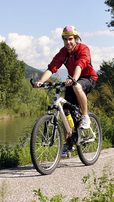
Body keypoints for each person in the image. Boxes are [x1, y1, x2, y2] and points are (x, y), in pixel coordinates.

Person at [34, 26, 97, 158]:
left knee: (76, 87)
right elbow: (52, 68)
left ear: (76, 39)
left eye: (70, 39)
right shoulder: (63, 52)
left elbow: (80, 64)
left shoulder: (83, 49)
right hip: (71, 80)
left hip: (87, 78)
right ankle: (68, 143)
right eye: (65, 40)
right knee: (66, 112)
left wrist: (74, 79)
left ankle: (85, 117)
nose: (68, 42)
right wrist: (41, 81)